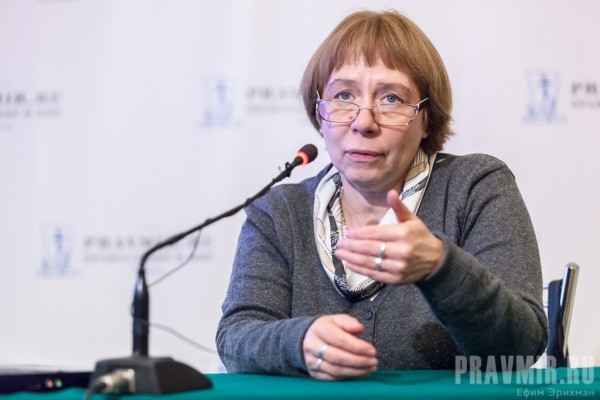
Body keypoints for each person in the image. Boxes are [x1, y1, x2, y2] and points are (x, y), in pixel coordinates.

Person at [216, 10, 548, 381]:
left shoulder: (474, 187)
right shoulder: (279, 212)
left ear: (426, 119)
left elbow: (521, 347)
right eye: (344, 95)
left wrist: (440, 268)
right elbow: (236, 337)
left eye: (391, 98)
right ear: (320, 114)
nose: (363, 122)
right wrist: (299, 342)